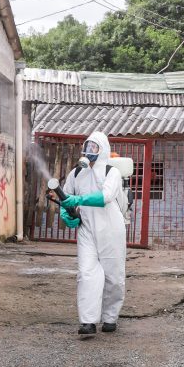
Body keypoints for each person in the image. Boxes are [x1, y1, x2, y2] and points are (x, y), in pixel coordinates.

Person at [59, 131, 127, 337]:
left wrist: (77, 200)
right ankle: (88, 322)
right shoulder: (76, 173)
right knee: (87, 274)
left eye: (94, 147)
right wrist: (66, 213)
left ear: (103, 149)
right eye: (87, 146)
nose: (89, 151)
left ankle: (110, 317)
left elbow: (106, 196)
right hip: (87, 229)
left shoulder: (111, 172)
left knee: (113, 277)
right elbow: (66, 196)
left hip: (111, 230)